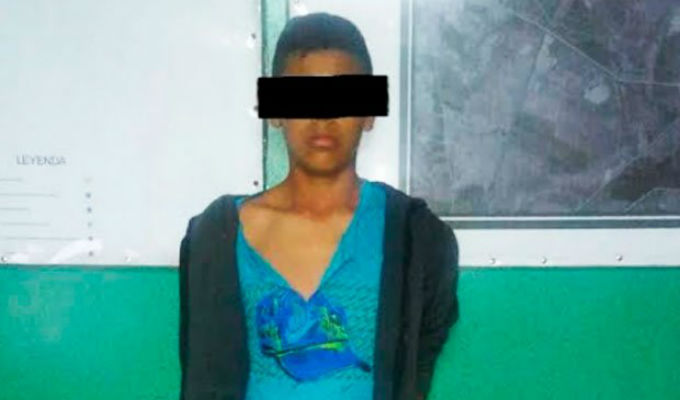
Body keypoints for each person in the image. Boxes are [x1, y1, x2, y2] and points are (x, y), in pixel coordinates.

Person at [179, 12, 459, 400]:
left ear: (369, 113)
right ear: (275, 112)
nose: (322, 116)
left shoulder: (417, 240)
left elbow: (415, 372)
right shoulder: (218, 238)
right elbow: (204, 373)